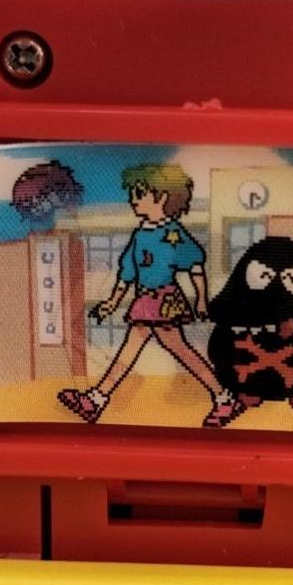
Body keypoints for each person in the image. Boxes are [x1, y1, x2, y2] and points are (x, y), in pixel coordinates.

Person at [58, 163, 241, 428]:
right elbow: (127, 273)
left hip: (164, 301)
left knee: (177, 350)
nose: (133, 200)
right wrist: (111, 303)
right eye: (132, 194)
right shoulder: (140, 234)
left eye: (139, 194)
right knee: (143, 349)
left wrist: (202, 299)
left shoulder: (173, 233)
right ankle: (96, 400)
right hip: (145, 301)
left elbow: (194, 264)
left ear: (161, 197)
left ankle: (224, 397)